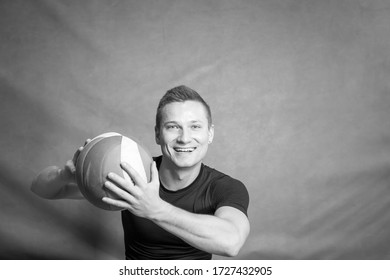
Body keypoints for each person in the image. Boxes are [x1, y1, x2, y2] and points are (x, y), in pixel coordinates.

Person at [31, 85, 250, 259]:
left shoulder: (225, 187)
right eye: (173, 126)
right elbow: (41, 189)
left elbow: (231, 242)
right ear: (157, 134)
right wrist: (65, 175)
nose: (184, 138)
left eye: (195, 126)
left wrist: (155, 209)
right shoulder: (132, 173)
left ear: (209, 134)